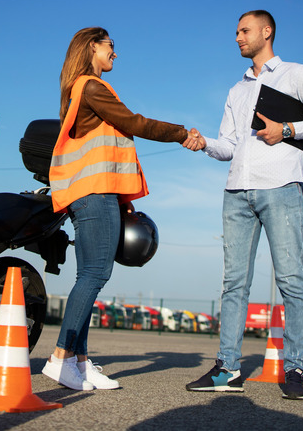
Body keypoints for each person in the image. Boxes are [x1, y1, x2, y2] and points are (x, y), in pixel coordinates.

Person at [183, 10, 303, 400]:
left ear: (266, 32)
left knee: (291, 280)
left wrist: (286, 130)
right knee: (233, 284)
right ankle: (228, 368)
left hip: (282, 188)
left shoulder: (296, 75)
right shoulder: (235, 90)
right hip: (237, 192)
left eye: (244, 30)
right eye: (236, 32)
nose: (237, 37)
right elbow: (230, 146)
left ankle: (295, 369)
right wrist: (205, 143)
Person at [42, 27, 196, 391]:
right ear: (93, 46)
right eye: (111, 46)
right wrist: (181, 133)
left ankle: (80, 363)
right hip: (94, 193)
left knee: (89, 276)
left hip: (89, 193)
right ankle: (61, 358)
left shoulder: (78, 89)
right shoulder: (92, 87)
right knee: (94, 274)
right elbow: (134, 123)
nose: (115, 53)